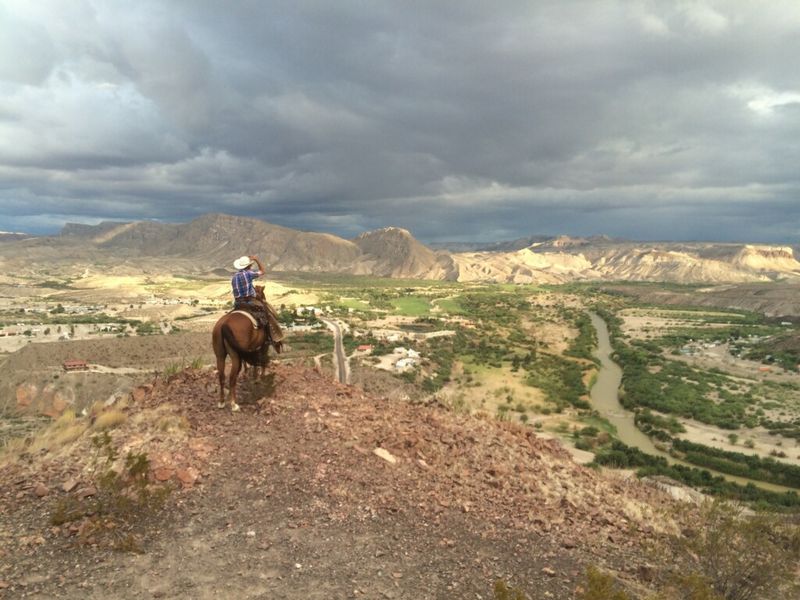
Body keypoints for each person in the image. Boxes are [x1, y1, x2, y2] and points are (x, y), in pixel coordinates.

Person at [231, 255, 269, 329]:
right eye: (250, 265)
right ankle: (269, 335)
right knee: (265, 313)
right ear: (249, 265)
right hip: (249, 301)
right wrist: (256, 260)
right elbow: (262, 271)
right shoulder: (249, 273)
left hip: (237, 303)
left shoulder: (234, 276)